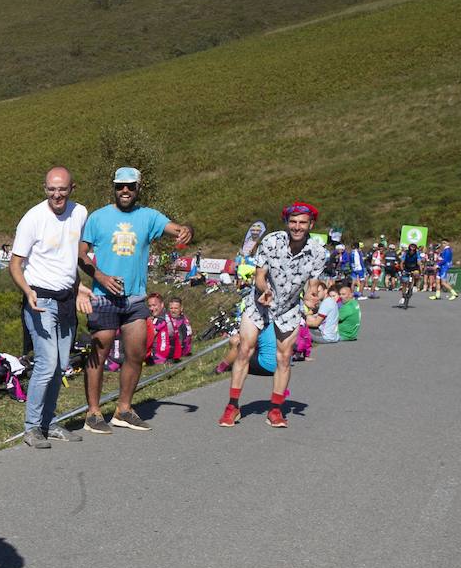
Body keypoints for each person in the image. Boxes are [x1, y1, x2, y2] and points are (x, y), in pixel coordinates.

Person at [78, 166, 193, 433]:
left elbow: (176, 228)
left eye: (130, 186)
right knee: (99, 353)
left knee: (136, 353)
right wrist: (101, 276)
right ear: (114, 188)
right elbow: (81, 254)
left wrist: (186, 229)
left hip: (136, 299)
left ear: (138, 188)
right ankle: (93, 413)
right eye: (120, 186)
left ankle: (124, 409)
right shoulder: (98, 217)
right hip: (104, 297)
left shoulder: (149, 217)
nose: (125, 190)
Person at [218, 202, 328, 430]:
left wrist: (312, 296)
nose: (297, 227)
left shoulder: (318, 252)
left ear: (311, 225)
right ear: (287, 222)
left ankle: (275, 410)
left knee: (284, 357)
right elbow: (260, 275)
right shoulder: (271, 241)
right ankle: (232, 406)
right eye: (293, 222)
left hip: (288, 307)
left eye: (302, 223)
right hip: (259, 303)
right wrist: (264, 290)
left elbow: (313, 282)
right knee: (245, 349)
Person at [8, 165, 90, 448]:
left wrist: (79, 286)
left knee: (61, 366)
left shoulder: (80, 213)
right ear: (45, 189)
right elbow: (15, 265)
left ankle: (49, 423)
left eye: (62, 189)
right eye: (51, 189)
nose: (57, 195)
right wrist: (28, 291)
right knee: (47, 363)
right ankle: (31, 428)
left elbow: (71, 256)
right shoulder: (33, 218)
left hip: (66, 298)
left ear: (71, 189)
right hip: (40, 299)